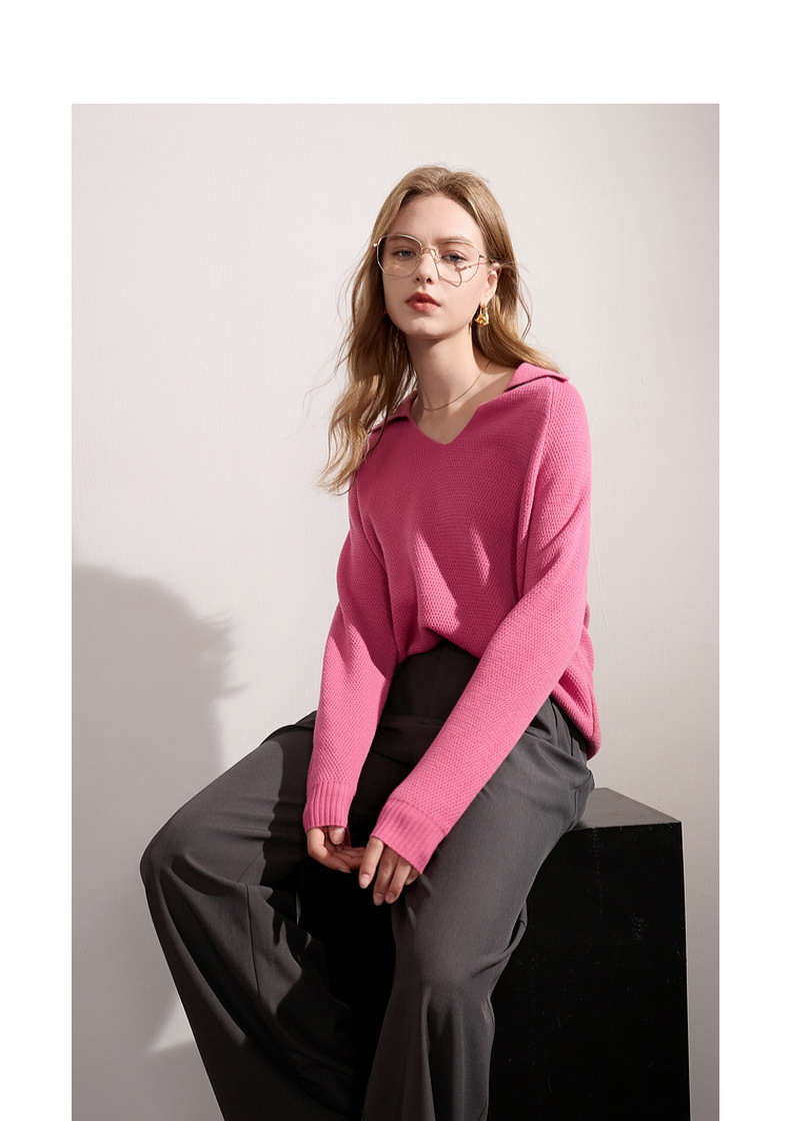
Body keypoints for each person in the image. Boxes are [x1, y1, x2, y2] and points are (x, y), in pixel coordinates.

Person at [141, 164, 600, 1121]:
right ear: (381, 274)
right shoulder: (384, 448)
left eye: (453, 255)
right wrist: (332, 783)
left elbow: (548, 620)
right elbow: (362, 632)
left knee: (440, 969)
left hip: (523, 722)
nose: (425, 270)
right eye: (404, 252)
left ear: (490, 283)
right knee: (188, 856)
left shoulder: (545, 411)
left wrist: (419, 810)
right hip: (404, 709)